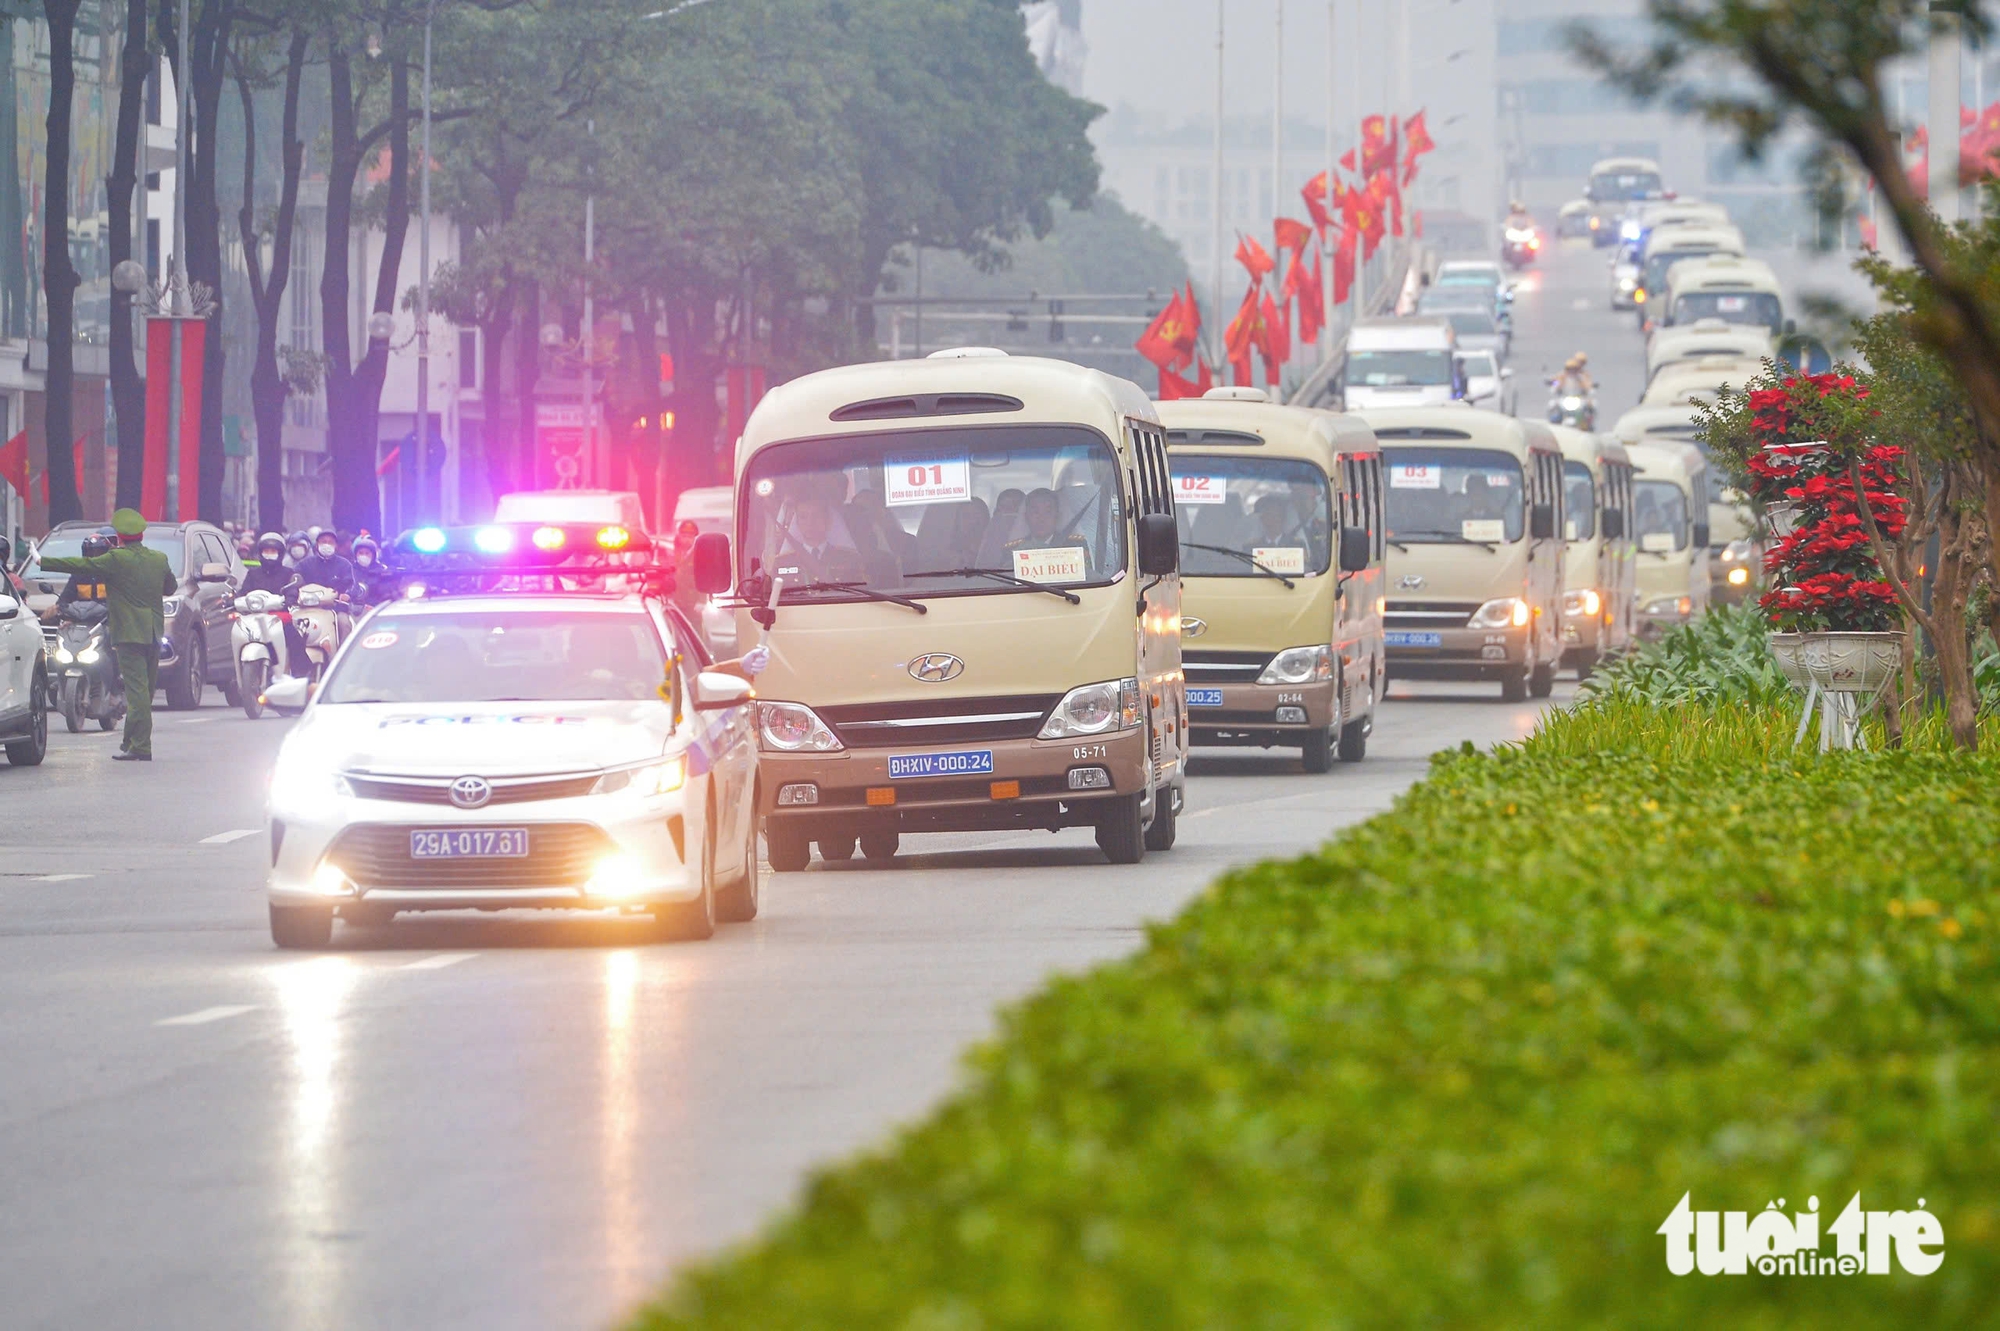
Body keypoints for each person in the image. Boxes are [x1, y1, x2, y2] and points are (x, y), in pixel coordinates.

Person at [33, 508, 173, 761]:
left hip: (129, 634)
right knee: (145, 691)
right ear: (142, 535)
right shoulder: (159, 559)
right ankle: (131, 741)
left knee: (137, 692)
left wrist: (43, 561)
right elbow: (170, 587)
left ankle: (140, 746)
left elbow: (80, 564)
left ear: (118, 538)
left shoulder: (115, 560)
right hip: (153, 631)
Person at [292, 529, 357, 597]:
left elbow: (350, 585)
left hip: (336, 604)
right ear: (317, 544)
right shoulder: (305, 564)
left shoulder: (344, 565)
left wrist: (346, 595)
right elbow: (294, 579)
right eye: (323, 542)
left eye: (330, 542)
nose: (327, 545)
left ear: (336, 545)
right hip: (309, 602)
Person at [350, 535, 391, 605]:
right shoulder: (349, 569)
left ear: (373, 555)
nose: (364, 555)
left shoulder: (382, 570)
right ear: (356, 554)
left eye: (367, 553)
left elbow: (385, 593)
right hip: (353, 608)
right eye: (360, 553)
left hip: (375, 607)